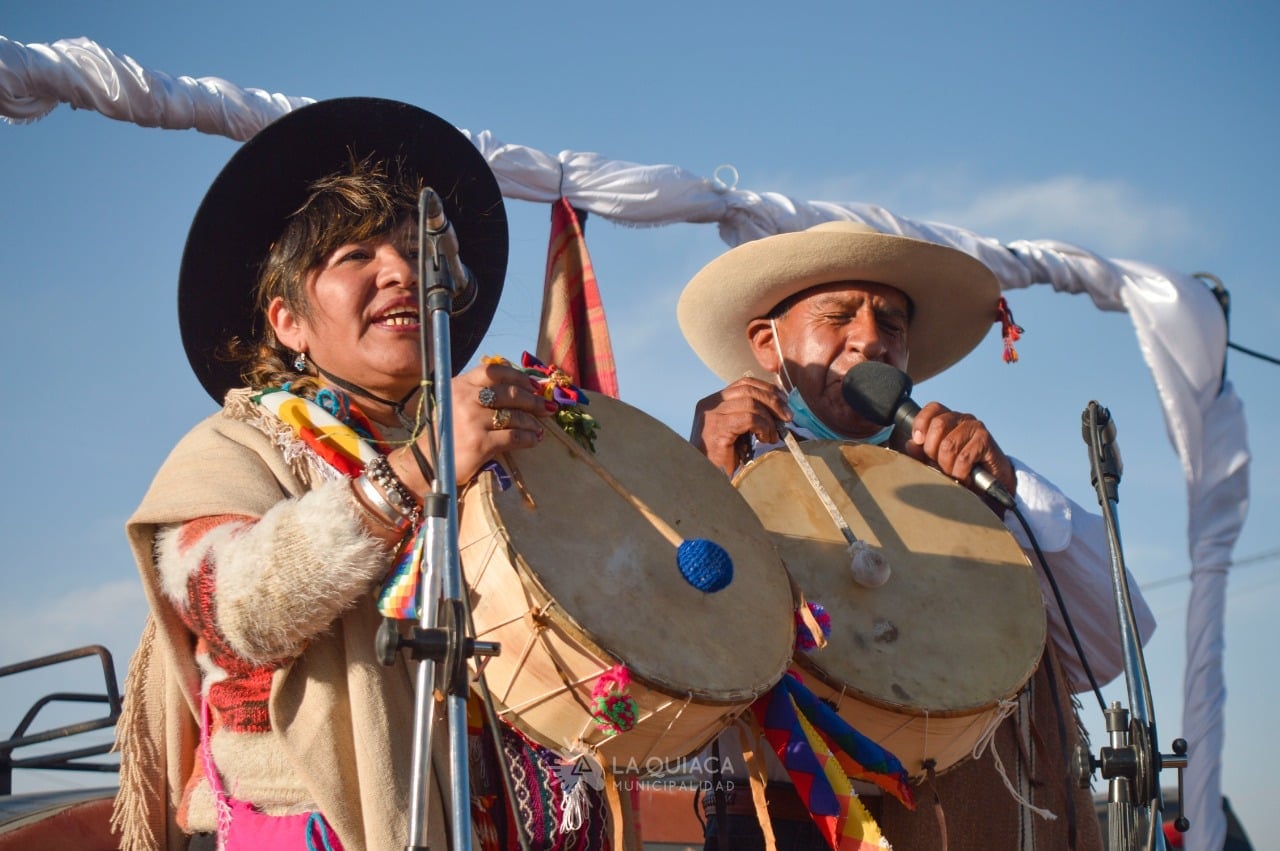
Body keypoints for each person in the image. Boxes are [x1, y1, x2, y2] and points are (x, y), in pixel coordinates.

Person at [110, 98, 560, 851]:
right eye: (357, 256)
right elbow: (237, 608)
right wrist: (418, 470)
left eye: (419, 255)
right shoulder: (234, 446)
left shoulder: (496, 444)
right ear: (287, 322)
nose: (400, 272)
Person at [677, 221, 1157, 851]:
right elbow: (666, 662)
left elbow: (1111, 645)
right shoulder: (719, 467)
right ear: (768, 344)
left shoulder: (964, 479)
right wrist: (705, 485)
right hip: (783, 826)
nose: (871, 340)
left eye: (892, 324)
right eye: (838, 316)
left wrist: (1001, 492)